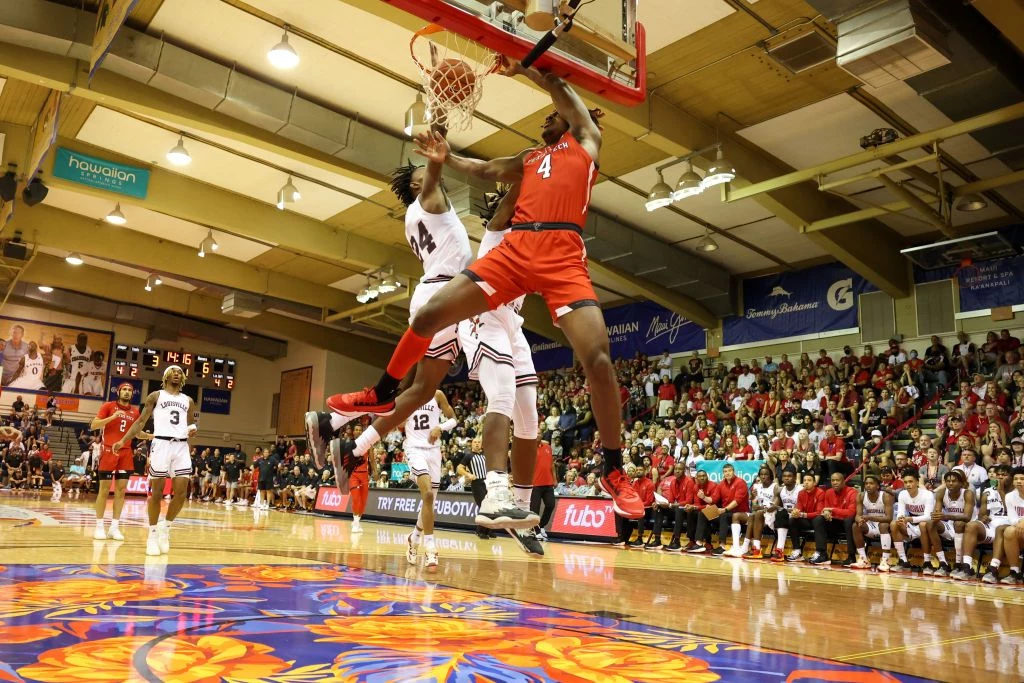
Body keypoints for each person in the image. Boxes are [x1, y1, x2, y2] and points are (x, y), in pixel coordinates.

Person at [326, 59, 642, 521]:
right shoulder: (531, 160)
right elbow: (487, 167)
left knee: (597, 358)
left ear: (578, 120)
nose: (544, 121)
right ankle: (381, 391)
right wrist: (445, 157)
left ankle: (614, 469)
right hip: (514, 251)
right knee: (427, 317)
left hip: (561, 252)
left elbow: (559, 90)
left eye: (552, 116)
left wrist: (529, 66)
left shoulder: (587, 142)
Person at [114, 365, 197, 556]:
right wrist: (123, 440)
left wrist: (193, 429)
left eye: (180, 372)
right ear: (166, 375)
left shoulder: (188, 401)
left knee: (182, 492)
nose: (177, 374)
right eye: (173, 371)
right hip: (161, 444)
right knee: (157, 492)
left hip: (181, 446)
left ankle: (165, 528)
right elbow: (140, 422)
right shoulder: (156, 396)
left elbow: (191, 425)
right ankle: (152, 534)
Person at [403, 389, 457, 568]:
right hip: (414, 449)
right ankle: (430, 546)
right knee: (427, 495)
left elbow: (453, 419)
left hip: (434, 452)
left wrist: (440, 427)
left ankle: (414, 538)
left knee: (430, 501)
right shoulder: (406, 396)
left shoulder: (437, 395)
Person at [91, 383, 148, 541]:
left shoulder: (135, 412)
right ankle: (99, 526)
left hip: (125, 453)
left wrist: (151, 436)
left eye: (130, 390)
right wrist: (112, 418)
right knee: (104, 490)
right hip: (109, 450)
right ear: (118, 391)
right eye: (124, 389)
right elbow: (93, 425)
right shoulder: (108, 406)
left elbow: (137, 433)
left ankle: (114, 527)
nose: (127, 392)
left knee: (121, 491)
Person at [961, 465, 1010, 581]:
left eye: (1004, 475)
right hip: (992, 524)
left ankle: (993, 570)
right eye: (998, 475)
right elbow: (982, 514)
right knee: (971, 526)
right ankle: (967, 568)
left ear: (1011, 477)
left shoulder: (1017, 492)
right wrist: (983, 517)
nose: (1000, 478)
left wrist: (1001, 491)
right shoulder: (987, 492)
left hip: (1009, 524)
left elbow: (1012, 511)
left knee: (1001, 529)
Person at [890, 471, 935, 573]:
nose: (908, 484)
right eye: (905, 482)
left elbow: (928, 517)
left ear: (917, 482)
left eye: (911, 481)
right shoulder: (902, 494)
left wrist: (909, 519)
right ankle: (903, 561)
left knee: (923, 525)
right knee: (894, 524)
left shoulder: (928, 494)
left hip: (927, 525)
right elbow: (900, 512)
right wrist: (901, 519)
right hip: (911, 524)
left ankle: (927, 563)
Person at [851, 474, 894, 571]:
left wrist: (870, 517)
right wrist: (859, 519)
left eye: (871, 483)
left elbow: (889, 518)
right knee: (855, 526)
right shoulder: (861, 495)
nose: (868, 486)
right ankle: (863, 559)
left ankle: (885, 559)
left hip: (885, 527)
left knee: (883, 525)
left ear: (878, 486)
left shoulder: (885, 496)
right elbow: (858, 515)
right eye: (866, 484)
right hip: (870, 527)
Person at [531, 436, 557, 541]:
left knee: (551, 505)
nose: (537, 435)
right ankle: (535, 531)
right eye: (535, 433)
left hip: (548, 483)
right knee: (534, 509)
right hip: (534, 484)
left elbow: (552, 465)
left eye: (539, 433)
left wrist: (555, 479)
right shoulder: (529, 448)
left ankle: (541, 526)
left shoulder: (548, 447)